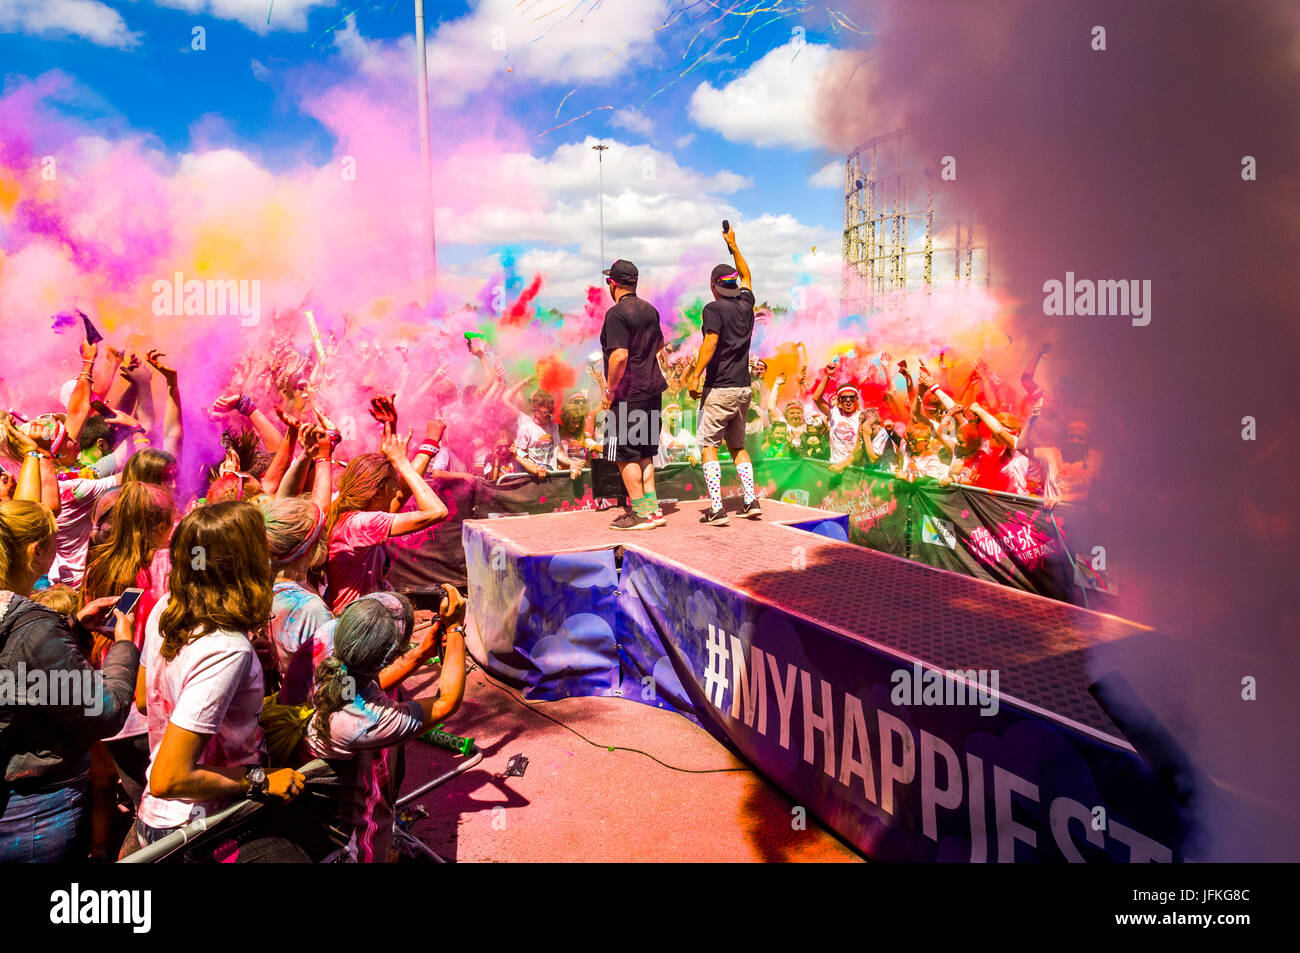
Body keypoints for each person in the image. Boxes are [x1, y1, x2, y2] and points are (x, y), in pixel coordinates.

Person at [134, 501, 305, 849]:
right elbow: (170, 777)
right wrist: (261, 779)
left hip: (160, 821)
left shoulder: (167, 605)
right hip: (196, 829)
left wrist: (239, 681)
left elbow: (143, 700)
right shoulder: (226, 649)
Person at [0, 499, 139, 862]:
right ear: (37, 551)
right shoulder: (34, 630)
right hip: (34, 812)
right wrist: (124, 645)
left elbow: (20, 676)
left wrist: (72, 627)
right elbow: (104, 711)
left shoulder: (29, 626)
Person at [308, 587, 467, 862]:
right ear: (388, 657)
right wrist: (454, 631)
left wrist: (420, 654)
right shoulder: (367, 721)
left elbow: (371, 683)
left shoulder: (330, 652)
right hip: (346, 836)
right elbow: (446, 703)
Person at [324, 431, 449, 613]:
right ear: (379, 491)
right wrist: (402, 464)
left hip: (361, 617)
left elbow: (403, 492)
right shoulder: (361, 524)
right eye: (393, 483)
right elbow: (437, 512)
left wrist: (429, 444)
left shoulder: (354, 517)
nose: (397, 488)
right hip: (358, 626)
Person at [685, 225, 761, 525]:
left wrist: (694, 374)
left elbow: (711, 341)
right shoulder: (746, 304)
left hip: (720, 389)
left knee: (708, 445)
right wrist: (733, 245)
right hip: (744, 388)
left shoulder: (713, 309)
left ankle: (717, 509)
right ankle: (750, 500)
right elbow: (747, 277)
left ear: (714, 286)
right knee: (737, 447)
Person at [599, 258, 669, 530]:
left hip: (628, 393)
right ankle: (652, 510)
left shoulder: (616, 314)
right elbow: (660, 343)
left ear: (612, 284)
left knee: (625, 454)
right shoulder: (650, 310)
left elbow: (619, 357)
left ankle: (640, 514)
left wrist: (610, 390)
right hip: (652, 389)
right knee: (644, 452)